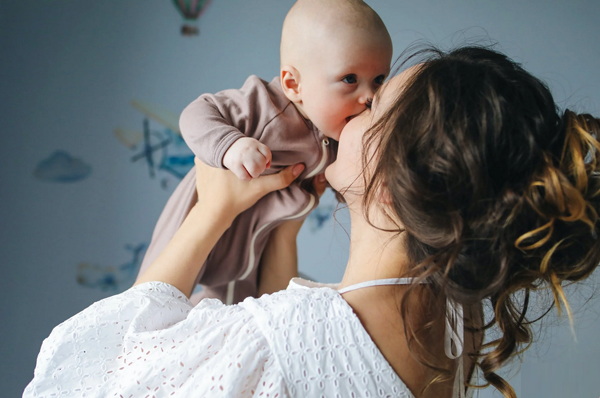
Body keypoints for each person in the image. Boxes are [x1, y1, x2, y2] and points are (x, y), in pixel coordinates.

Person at [24, 46, 600, 398]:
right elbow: (318, 360)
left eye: (374, 106)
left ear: (399, 185)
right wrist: (286, 230)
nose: (353, 108)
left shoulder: (287, 338)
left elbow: (99, 371)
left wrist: (213, 211)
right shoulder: (455, 318)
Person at [136, 0, 393, 305]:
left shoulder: (338, 133)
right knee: (154, 300)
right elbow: (196, 113)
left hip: (256, 242)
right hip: (201, 216)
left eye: (378, 80)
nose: (369, 97)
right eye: (350, 79)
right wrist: (230, 145)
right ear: (293, 84)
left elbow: (349, 184)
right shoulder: (264, 105)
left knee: (237, 310)